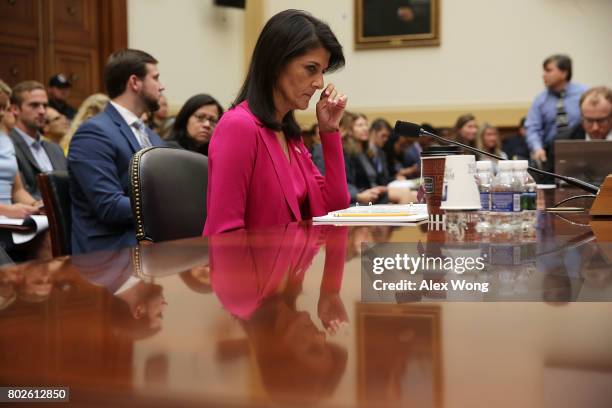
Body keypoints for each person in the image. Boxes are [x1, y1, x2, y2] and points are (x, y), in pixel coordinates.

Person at [203, 10, 350, 235]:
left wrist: (329, 131)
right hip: (250, 269)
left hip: (294, 267)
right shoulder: (238, 126)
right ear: (276, 62)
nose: (320, 83)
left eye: (322, 71)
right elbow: (225, 234)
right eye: (311, 68)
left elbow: (335, 209)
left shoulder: (289, 134)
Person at [68, 49, 165, 255]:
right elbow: (109, 205)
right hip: (110, 252)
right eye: (155, 78)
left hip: (152, 245)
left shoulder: (152, 136)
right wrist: (170, 207)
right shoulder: (93, 133)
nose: (162, 86)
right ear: (135, 82)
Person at [8, 81, 67, 199]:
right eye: (34, 105)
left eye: (45, 105)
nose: (42, 111)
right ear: (15, 109)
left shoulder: (56, 149)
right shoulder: (7, 146)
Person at [525, 54, 587, 164]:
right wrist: (537, 148)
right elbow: (532, 128)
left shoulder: (584, 94)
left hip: (582, 151)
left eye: (548, 71)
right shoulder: (540, 100)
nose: (544, 75)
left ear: (564, 73)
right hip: (551, 154)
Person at [342, 112, 388, 204]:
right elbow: (348, 182)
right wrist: (360, 194)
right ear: (350, 130)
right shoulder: (346, 152)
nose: (365, 128)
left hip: (373, 192)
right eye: (360, 125)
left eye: (366, 125)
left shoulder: (366, 151)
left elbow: (375, 178)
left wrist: (380, 187)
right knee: (403, 194)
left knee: (409, 193)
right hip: (360, 196)